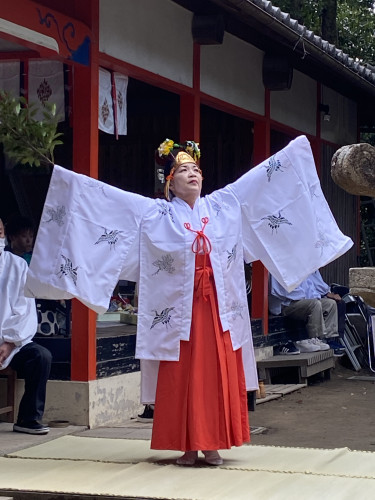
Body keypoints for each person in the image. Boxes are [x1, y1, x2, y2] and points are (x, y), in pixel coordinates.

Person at [25, 135, 353, 464]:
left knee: (214, 376)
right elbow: (110, 203)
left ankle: (212, 443)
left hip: (217, 310)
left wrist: (294, 153)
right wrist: (68, 180)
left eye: (195, 169)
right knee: (183, 376)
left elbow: (261, 184)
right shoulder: (155, 214)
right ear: (171, 183)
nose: (192, 174)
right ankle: (188, 445)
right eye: (183, 171)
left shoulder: (224, 205)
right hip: (178, 313)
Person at [0, 217, 52, 434]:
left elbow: (25, 310)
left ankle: (28, 419)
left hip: (10, 342)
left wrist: (10, 342)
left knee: (41, 356)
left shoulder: (18, 266)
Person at [269, 270, 346, 356]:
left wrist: (315, 297)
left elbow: (310, 289)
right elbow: (279, 291)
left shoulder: (300, 267)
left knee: (330, 304)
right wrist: (308, 298)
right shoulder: (278, 268)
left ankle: (326, 339)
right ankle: (312, 338)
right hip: (285, 304)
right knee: (314, 304)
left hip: (301, 300)